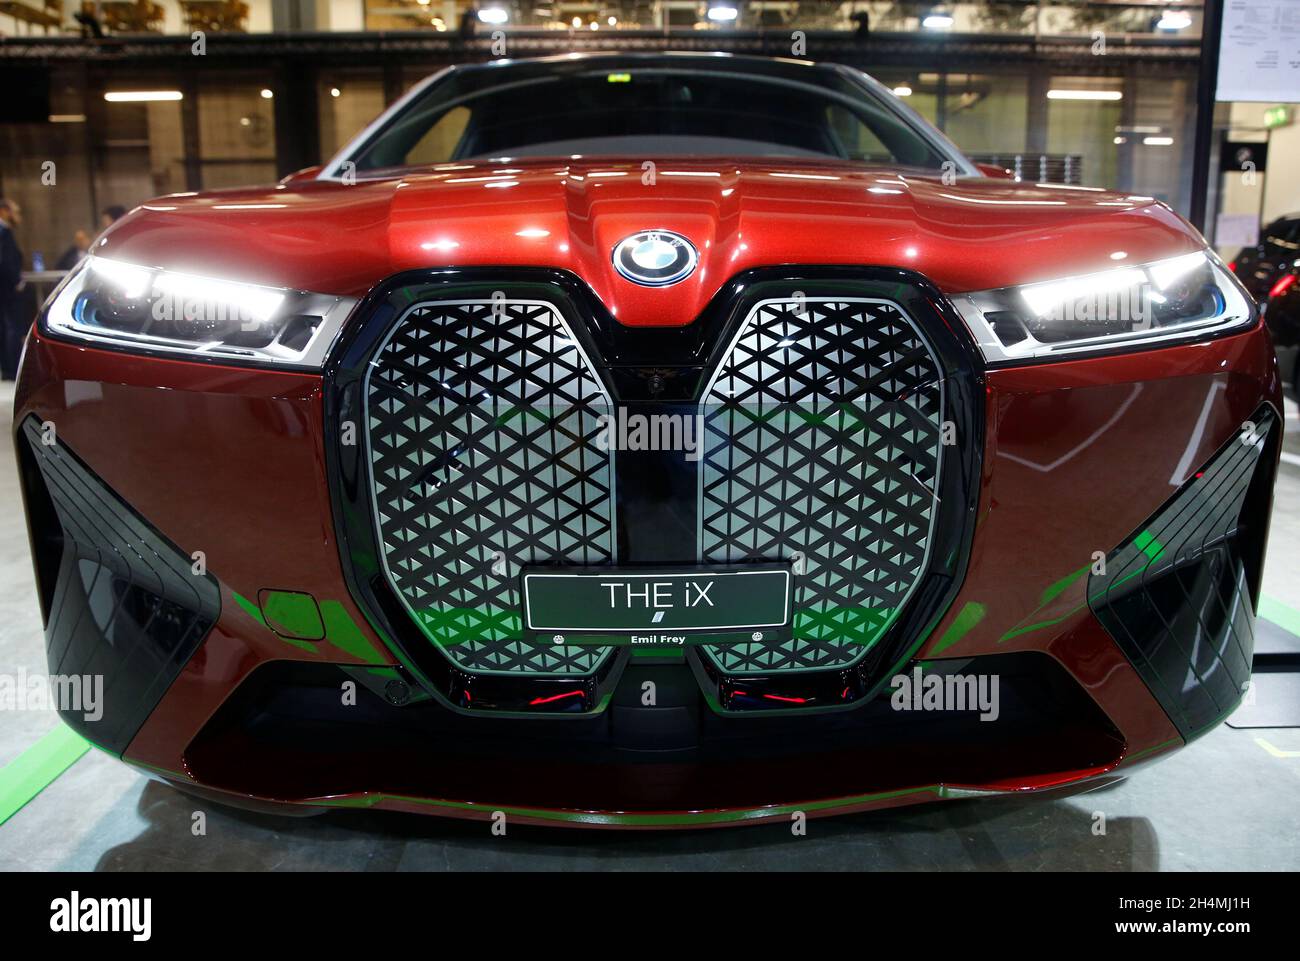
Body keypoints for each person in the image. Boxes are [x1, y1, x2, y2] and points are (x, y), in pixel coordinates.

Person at [0, 198, 25, 380]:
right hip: (7, 289)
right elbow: (6, 261)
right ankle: (12, 368)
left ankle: (8, 367)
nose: (17, 216)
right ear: (4, 211)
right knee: (12, 327)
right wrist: (15, 281)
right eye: (14, 211)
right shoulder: (3, 232)